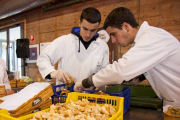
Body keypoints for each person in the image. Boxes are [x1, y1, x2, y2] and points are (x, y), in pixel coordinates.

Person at [74, 7, 180, 113]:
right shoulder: (146, 39)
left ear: (126, 27)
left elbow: (120, 69)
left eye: (113, 34)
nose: (113, 40)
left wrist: (87, 82)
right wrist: (142, 75)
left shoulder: (152, 38)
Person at [37, 7, 109, 88]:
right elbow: (43, 58)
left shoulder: (102, 46)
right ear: (79, 23)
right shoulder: (64, 41)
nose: (88, 34)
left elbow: (104, 73)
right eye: (85, 29)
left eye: (93, 30)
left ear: (98, 27)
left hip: (91, 96)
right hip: (66, 95)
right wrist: (52, 72)